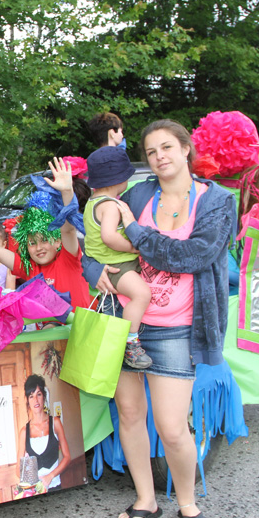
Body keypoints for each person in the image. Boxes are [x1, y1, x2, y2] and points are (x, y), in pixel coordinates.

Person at [84, 119, 235, 518]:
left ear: (186, 148)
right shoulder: (138, 194)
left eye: (167, 147)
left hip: (176, 327)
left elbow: (193, 256)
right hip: (125, 319)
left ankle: (188, 503)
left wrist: (135, 232)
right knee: (130, 415)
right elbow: (94, 238)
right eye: (151, 152)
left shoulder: (216, 201)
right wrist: (94, 269)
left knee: (171, 427)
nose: (159, 157)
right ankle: (146, 498)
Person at [0, 158, 92, 310]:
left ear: (57, 241)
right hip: (46, 325)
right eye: (32, 243)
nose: (39, 248)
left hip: (77, 324)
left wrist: (67, 191)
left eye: (44, 240)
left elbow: (68, 230)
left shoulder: (68, 258)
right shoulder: (29, 266)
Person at [83, 147, 152, 368]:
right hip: (117, 265)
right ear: (119, 180)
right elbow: (109, 237)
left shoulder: (92, 203)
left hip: (106, 264)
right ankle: (131, 342)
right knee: (141, 294)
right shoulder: (111, 205)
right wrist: (133, 248)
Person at [16, 375, 71, 492]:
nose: (35, 400)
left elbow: (67, 457)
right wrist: (30, 475)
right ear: (27, 400)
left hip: (56, 486)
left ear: (44, 396)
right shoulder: (24, 432)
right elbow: (18, 470)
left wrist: (50, 476)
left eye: (39, 394)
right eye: (31, 396)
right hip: (35, 490)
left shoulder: (55, 423)